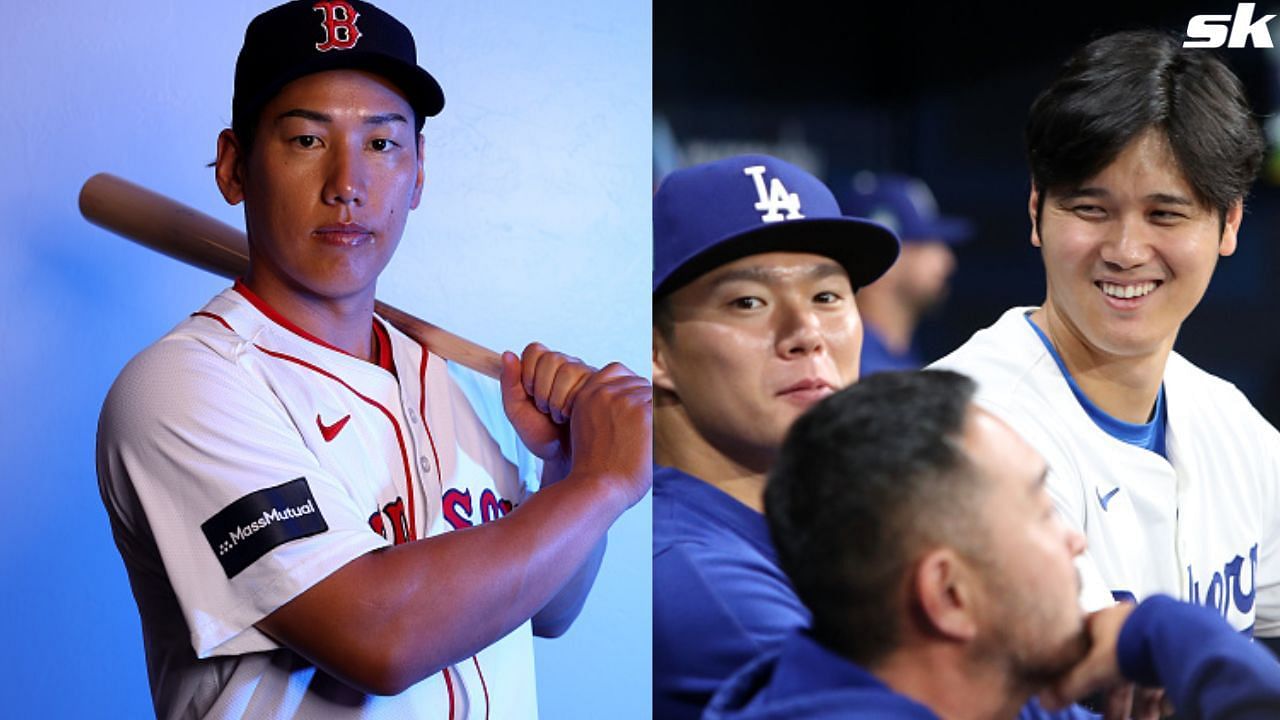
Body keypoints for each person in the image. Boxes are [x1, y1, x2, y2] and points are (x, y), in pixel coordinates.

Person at [95, 2, 651, 718]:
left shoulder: (469, 385)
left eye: (384, 144)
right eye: (304, 138)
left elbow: (552, 607)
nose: (347, 183)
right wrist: (603, 485)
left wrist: (566, 471)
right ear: (234, 166)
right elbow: (377, 635)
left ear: (419, 173)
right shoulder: (184, 388)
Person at [931, 30, 1280, 647]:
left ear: (1229, 223)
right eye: (1090, 209)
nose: (1124, 252)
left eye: (1165, 214)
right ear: (1036, 209)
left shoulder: (1230, 424)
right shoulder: (963, 425)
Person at [706, 370, 1280, 720]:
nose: (1074, 539)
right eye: (1040, 511)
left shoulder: (986, 685)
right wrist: (1169, 629)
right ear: (950, 595)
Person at [651, 154, 900, 719]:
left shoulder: (840, 531)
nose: (806, 333)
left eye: (827, 297)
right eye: (748, 303)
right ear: (656, 352)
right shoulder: (692, 578)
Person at [840, 172, 970, 374]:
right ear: (884, 260)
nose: (947, 262)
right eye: (927, 244)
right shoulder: (850, 367)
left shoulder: (900, 354)